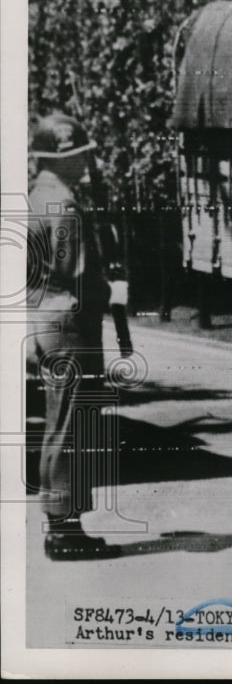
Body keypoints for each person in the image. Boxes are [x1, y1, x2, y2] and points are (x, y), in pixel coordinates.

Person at [27, 113, 125, 559]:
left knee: (58, 425)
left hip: (48, 319)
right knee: (71, 427)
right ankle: (65, 531)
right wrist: (110, 289)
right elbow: (77, 274)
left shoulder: (37, 196)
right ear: (64, 157)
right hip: (70, 323)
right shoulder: (63, 204)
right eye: (81, 154)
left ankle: (59, 523)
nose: (87, 161)